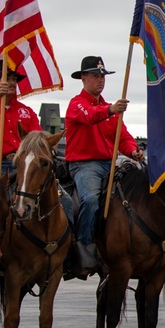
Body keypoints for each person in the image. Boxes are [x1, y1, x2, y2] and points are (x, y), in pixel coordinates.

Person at [65, 56, 144, 278]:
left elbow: (124, 137)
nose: (100, 81)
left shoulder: (111, 110)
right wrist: (110, 110)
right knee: (90, 199)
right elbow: (90, 117)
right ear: (83, 78)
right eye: (95, 76)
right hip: (84, 165)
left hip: (110, 163)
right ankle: (84, 248)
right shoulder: (76, 104)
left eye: (102, 77)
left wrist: (133, 151)